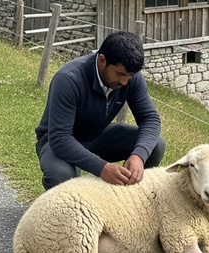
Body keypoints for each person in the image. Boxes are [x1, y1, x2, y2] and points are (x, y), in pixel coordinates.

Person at [35, 30, 165, 190]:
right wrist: (102, 168)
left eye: (129, 76)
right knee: (61, 175)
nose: (124, 82)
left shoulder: (131, 77)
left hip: (98, 135)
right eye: (120, 74)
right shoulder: (68, 79)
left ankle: (126, 202)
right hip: (58, 141)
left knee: (155, 146)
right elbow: (60, 137)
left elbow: (150, 119)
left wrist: (139, 156)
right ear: (102, 60)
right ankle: (57, 206)